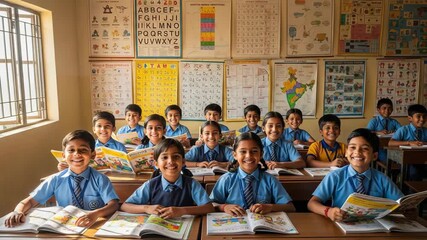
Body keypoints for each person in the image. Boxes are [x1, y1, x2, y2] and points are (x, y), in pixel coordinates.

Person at [4, 130, 119, 227]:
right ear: (63, 155)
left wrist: (95, 214)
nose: (77, 154)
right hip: (64, 227)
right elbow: (29, 201)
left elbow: (113, 204)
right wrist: (17, 211)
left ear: (93, 154)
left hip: (92, 224)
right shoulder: (55, 179)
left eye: (83, 150)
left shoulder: (100, 179)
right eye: (71, 150)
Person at [307, 128, 403, 222]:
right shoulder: (335, 176)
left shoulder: (382, 179)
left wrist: (407, 210)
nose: (357, 152)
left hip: (374, 229)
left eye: (364, 148)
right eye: (352, 147)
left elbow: (400, 203)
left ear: (374, 156)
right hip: (342, 226)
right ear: (346, 152)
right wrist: (329, 212)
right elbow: (312, 203)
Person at [120, 139, 214, 219]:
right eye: (165, 157)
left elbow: (209, 208)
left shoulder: (192, 184)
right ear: (156, 164)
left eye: (176, 157)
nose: (171, 161)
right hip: (156, 228)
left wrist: (182, 211)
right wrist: (146, 208)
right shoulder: (150, 185)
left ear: (183, 162)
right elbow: (125, 206)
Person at [210, 132, 295, 216]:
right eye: (243, 151)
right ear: (235, 155)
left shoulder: (270, 180)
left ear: (261, 154)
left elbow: (290, 207)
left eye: (254, 151)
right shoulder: (226, 180)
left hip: (262, 226)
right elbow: (211, 205)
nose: (248, 156)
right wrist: (224, 207)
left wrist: (270, 207)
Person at [57, 111, 126, 171]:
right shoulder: (87, 146)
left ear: (113, 128)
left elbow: (125, 167)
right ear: (94, 129)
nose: (103, 129)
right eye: (99, 126)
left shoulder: (120, 147)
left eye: (107, 126)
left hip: (115, 178)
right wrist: (64, 166)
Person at [389, 104, 427, 180]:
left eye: (424, 116)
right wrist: (409, 143)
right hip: (406, 162)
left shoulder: (425, 131)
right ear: (410, 118)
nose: (422, 119)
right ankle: (409, 191)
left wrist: (424, 143)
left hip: (422, 160)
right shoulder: (403, 130)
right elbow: (390, 143)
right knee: (414, 173)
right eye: (418, 116)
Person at [366, 98, 401, 163]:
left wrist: (395, 132)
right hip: (379, 147)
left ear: (392, 109)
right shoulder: (374, 121)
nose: (387, 111)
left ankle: (395, 171)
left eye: (389, 108)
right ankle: (388, 170)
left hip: (392, 147)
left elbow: (402, 131)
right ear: (378, 110)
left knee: (399, 158)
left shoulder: (394, 122)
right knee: (386, 159)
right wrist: (377, 132)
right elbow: (367, 132)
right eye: (384, 108)